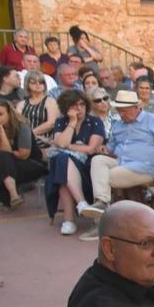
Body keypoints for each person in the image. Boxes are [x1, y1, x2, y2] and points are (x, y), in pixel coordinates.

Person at [78, 91, 154, 240]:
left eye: (124, 110)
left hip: (144, 167)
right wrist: (106, 150)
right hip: (122, 162)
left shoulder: (152, 121)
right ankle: (102, 203)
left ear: (136, 107)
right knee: (97, 160)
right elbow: (111, 147)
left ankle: (100, 224)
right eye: (119, 110)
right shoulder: (119, 124)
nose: (121, 114)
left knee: (104, 178)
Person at [44, 90, 105, 235]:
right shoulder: (62, 121)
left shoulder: (95, 121)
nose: (79, 108)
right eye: (74, 105)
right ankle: (81, 203)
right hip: (66, 169)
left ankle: (69, 220)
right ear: (66, 107)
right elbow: (61, 142)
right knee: (62, 162)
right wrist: (72, 123)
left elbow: (90, 149)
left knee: (61, 163)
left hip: (88, 168)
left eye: (82, 104)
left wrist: (67, 146)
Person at [0, 99, 44, 210]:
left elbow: (23, 155)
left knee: (3, 156)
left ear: (10, 113)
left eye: (0, 114)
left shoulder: (22, 127)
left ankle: (13, 194)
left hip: (31, 164)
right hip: (9, 166)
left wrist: (1, 132)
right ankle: (12, 197)